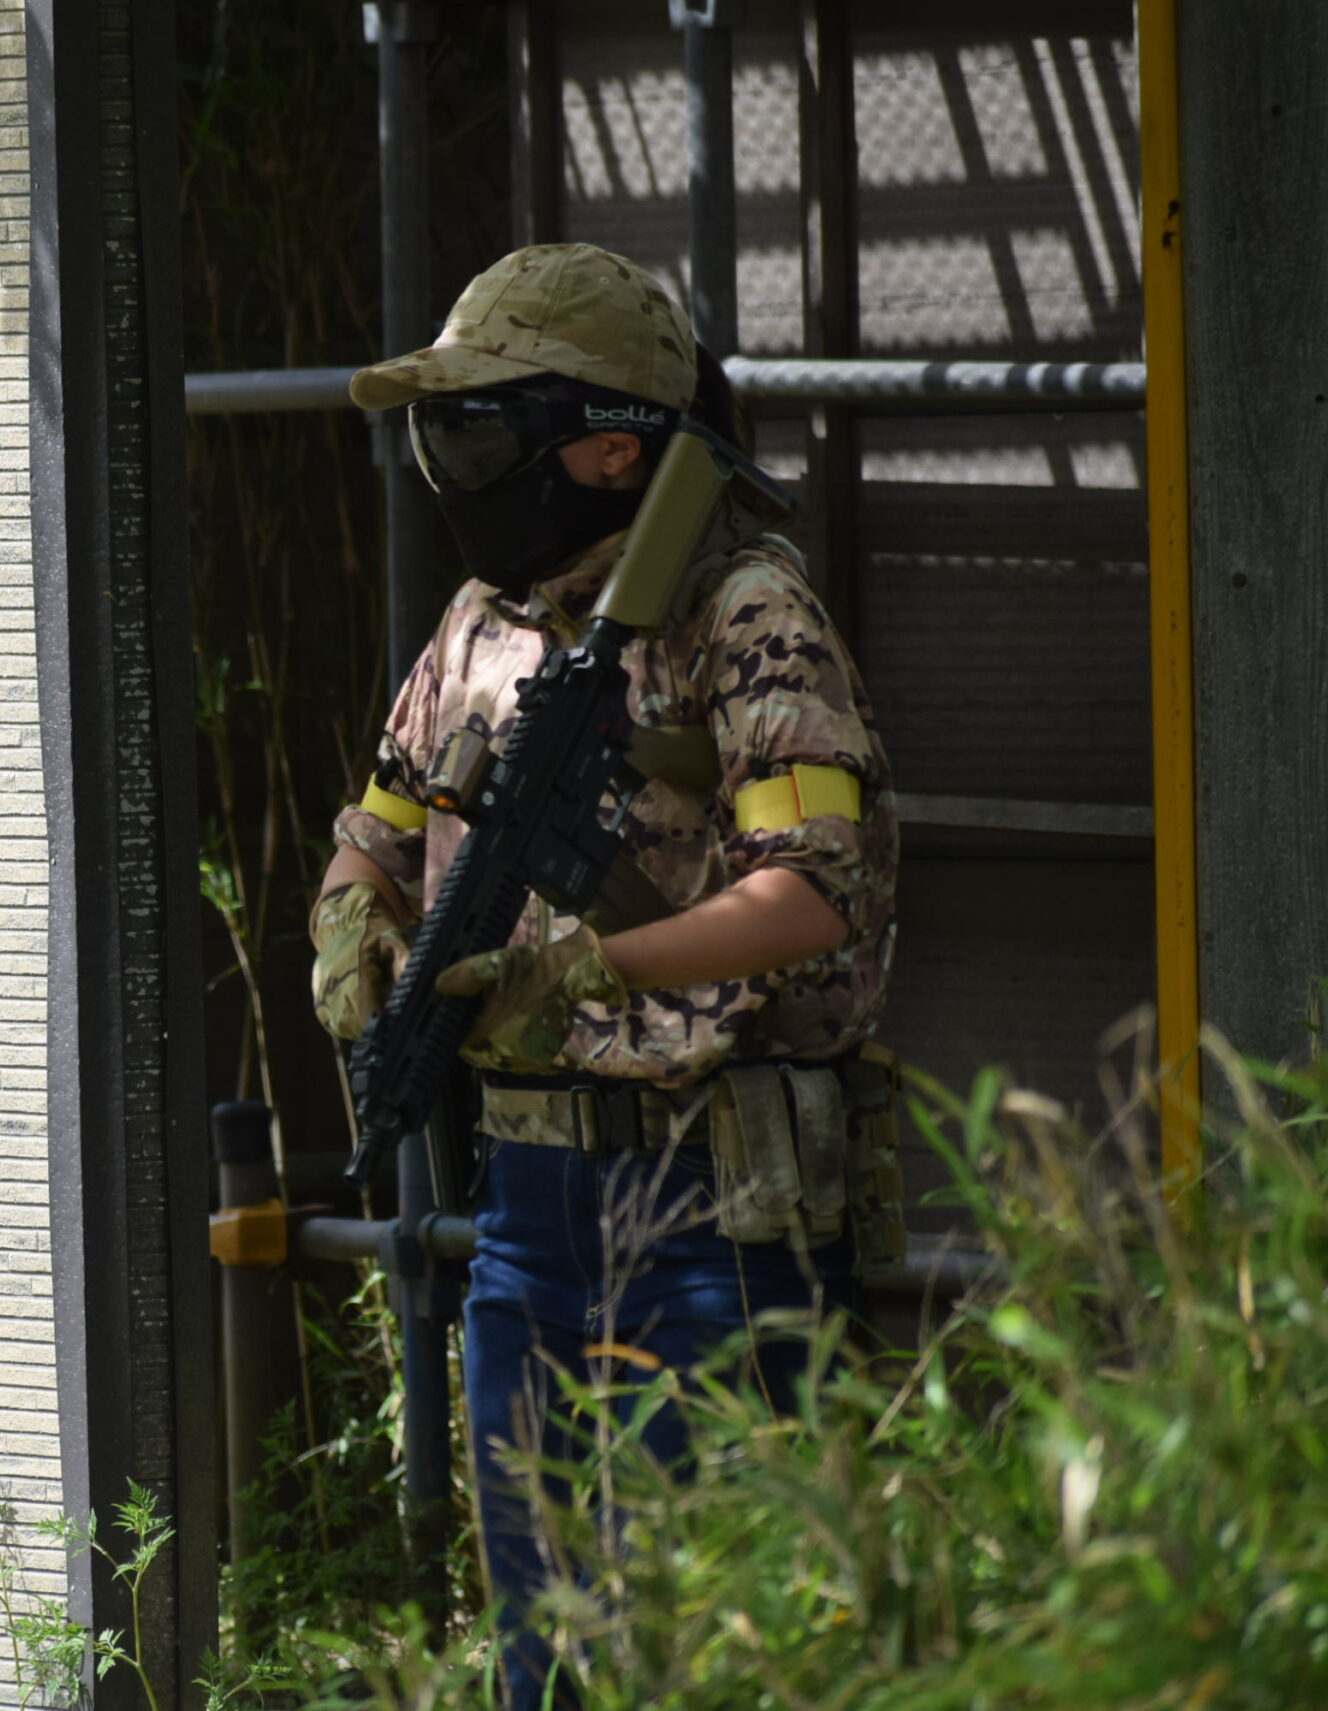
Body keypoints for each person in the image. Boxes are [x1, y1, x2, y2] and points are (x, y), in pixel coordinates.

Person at [312, 243, 901, 1702]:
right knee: (547, 1658)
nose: (453, 466)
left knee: (714, 1657)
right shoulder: (479, 625)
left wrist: (581, 968)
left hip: (715, 1203)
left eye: (483, 428)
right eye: (440, 430)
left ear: (613, 445)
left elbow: (808, 895)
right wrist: (349, 935)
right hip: (529, 1203)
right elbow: (372, 837)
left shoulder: (743, 610)